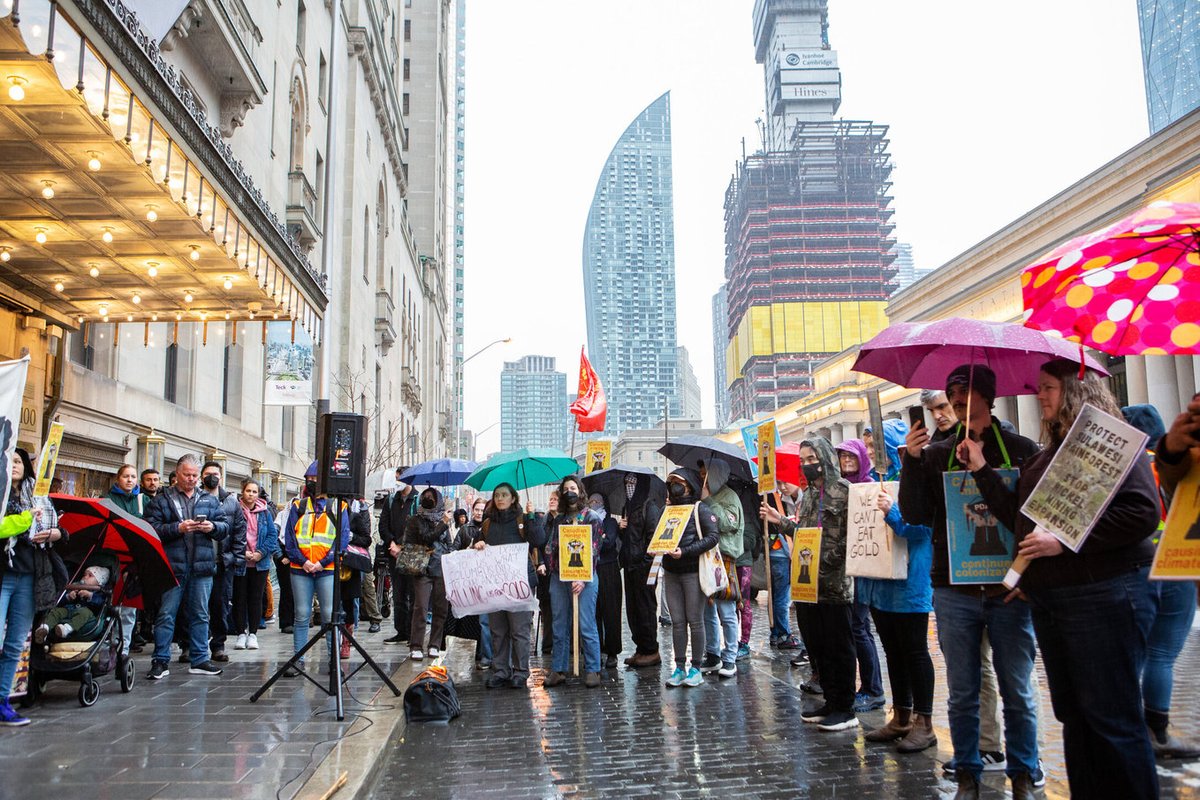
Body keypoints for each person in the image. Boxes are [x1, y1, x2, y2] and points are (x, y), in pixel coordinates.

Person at [962, 360, 1158, 798]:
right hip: (1056, 602)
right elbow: (1020, 519)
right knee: (1075, 715)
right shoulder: (1046, 456)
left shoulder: (1110, 445)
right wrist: (979, 468)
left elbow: (1142, 513)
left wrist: (1065, 543)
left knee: (1111, 718)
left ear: (1075, 391)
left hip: (1104, 596)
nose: (1040, 396)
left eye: (1048, 388)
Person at [899, 364, 1042, 799]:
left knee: (1017, 688)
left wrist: (981, 468)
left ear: (988, 395)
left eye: (965, 390)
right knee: (962, 691)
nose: (957, 398)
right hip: (953, 588)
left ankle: (1023, 771)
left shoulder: (1020, 448)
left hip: (1008, 587)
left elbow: (1027, 518)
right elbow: (916, 514)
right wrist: (913, 461)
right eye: (951, 391)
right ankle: (967, 772)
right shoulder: (940, 452)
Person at [843, 434, 938, 754]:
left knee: (914, 651)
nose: (871, 452)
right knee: (893, 652)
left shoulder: (922, 478)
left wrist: (893, 513)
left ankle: (924, 723)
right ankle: (901, 716)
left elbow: (924, 527)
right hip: (880, 584)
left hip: (910, 582)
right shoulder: (874, 483)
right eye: (869, 447)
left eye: (877, 446)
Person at [765, 436, 859, 732]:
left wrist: (829, 559)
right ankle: (830, 700)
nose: (807, 465)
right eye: (803, 460)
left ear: (825, 458)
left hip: (834, 584)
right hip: (807, 584)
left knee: (838, 645)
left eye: (811, 459)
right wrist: (779, 520)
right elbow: (803, 531)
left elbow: (851, 535)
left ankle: (845, 707)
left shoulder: (844, 491)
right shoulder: (807, 496)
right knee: (817, 645)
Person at [1147, 394, 1200, 758]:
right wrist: (1172, 448)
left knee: (1151, 652)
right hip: (1172, 561)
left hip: (1156, 564)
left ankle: (1148, 729)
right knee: (1162, 651)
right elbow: (1175, 476)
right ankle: (1154, 732)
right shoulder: (1161, 459)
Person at [144, 453, 229, 679]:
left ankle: (200, 658)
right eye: (186, 475)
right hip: (173, 566)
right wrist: (177, 528)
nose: (191, 479)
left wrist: (212, 527)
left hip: (201, 567)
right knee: (166, 614)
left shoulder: (209, 500)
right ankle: (160, 661)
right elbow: (151, 529)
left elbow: (224, 528)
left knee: (201, 614)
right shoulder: (162, 500)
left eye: (194, 475)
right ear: (177, 474)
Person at [475, 482, 545, 689]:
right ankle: (501, 670)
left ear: (513, 498)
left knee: (519, 629)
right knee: (498, 629)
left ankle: (521, 671)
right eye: (497, 495)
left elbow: (538, 540)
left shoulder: (523, 519)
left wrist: (532, 517)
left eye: (504, 495)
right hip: (496, 584)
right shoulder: (488, 523)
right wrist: (478, 545)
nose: (500, 498)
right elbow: (480, 545)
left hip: (520, 583)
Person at [653, 469, 718, 688]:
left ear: (689, 485)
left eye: (679, 482)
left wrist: (687, 551)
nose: (675, 486)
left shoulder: (700, 509)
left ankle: (696, 668)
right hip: (671, 572)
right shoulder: (666, 510)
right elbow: (659, 535)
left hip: (692, 571)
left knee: (695, 620)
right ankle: (679, 667)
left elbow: (712, 537)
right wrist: (656, 548)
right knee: (678, 622)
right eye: (671, 483)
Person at [282, 467, 350, 676]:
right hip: (300, 568)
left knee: (329, 615)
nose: (312, 483)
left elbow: (342, 539)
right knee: (302, 614)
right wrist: (303, 562)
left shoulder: (339, 507)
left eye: (316, 479)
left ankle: (333, 661)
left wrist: (322, 562)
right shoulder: (297, 506)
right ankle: (299, 660)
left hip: (326, 568)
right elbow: (290, 539)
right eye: (309, 479)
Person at [835, 439, 886, 713]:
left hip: (866, 566)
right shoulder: (841, 488)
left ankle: (873, 689)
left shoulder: (870, 484)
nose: (846, 462)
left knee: (860, 627)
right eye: (842, 458)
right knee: (854, 628)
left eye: (851, 457)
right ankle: (866, 686)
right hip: (846, 566)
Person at [542, 476, 604, 688]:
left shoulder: (592, 517)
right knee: (559, 625)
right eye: (566, 488)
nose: (570, 491)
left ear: (580, 491)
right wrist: (551, 567)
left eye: (573, 488)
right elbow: (551, 546)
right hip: (560, 578)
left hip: (585, 577)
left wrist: (583, 577)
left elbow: (594, 550)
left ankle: (593, 669)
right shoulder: (559, 519)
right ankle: (558, 669)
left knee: (586, 624)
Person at [698, 460, 743, 680]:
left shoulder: (729, 496)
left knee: (726, 610)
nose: (702, 476)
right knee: (708, 610)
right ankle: (713, 654)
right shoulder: (704, 493)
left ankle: (730, 656)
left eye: (706, 473)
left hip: (723, 557)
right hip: (706, 557)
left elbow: (727, 523)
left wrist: (707, 500)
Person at [198, 462, 245, 663]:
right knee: (197, 606)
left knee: (220, 605)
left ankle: (218, 645)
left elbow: (239, 532)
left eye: (215, 474)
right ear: (202, 477)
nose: (212, 477)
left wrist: (235, 558)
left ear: (221, 477)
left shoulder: (231, 502)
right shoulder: (196, 499)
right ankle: (191, 645)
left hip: (223, 562)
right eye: (208, 474)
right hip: (200, 561)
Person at [404, 487, 452, 661]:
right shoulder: (416, 520)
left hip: (441, 567)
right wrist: (443, 524)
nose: (428, 500)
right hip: (422, 568)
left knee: (441, 608)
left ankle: (435, 644)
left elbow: (448, 542)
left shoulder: (443, 520)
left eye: (432, 497)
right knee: (421, 607)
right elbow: (426, 538)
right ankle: (416, 645)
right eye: (426, 497)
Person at [618, 475, 662, 667]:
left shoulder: (649, 506)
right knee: (633, 610)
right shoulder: (626, 508)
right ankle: (641, 648)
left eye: (633, 484)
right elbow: (629, 537)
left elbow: (653, 536)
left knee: (645, 609)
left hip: (643, 567)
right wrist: (621, 529)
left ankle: (650, 649)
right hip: (630, 566)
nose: (629, 487)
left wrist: (646, 562)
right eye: (626, 483)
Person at [232, 479, 278, 651]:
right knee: (239, 598)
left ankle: (252, 633)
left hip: (260, 562)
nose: (251, 494)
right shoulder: (236, 510)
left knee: (256, 598)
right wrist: (242, 552)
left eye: (254, 491)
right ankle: (240, 633)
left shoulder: (265, 513)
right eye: (248, 491)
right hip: (240, 561)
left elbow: (272, 536)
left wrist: (260, 553)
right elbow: (231, 534)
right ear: (242, 492)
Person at [761, 479, 804, 655]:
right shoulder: (778, 500)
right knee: (781, 596)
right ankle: (782, 633)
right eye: (779, 483)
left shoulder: (802, 499)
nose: (782, 487)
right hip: (782, 552)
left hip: (791, 552)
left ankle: (778, 632)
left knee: (780, 595)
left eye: (785, 483)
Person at [106, 464, 145, 657]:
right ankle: (110, 645)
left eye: (133, 476)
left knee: (129, 609)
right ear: (118, 478)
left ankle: (124, 649)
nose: (130, 480)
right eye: (126, 476)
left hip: (135, 558)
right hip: (113, 558)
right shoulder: (109, 499)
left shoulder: (141, 500)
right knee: (111, 606)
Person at [380, 471, 416, 644]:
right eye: (397, 478)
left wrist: (402, 544)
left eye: (401, 478)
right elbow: (383, 525)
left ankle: (412, 632)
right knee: (399, 594)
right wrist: (392, 543)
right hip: (393, 553)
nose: (398, 482)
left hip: (411, 553)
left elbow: (415, 526)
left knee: (413, 594)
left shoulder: (417, 499)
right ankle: (400, 630)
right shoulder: (391, 500)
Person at [588, 492, 623, 669]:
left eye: (597, 501)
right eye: (591, 501)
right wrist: (599, 539)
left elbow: (609, 542)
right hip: (592, 569)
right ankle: (597, 649)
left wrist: (595, 540)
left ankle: (612, 652)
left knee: (611, 611)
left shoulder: (610, 522)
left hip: (609, 569)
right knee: (594, 612)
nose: (594, 504)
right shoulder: (585, 519)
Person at [35, 565, 108, 642]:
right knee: (56, 611)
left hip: (85, 614)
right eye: (84, 574)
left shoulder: (99, 592)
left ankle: (67, 629)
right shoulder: (75, 585)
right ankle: (44, 628)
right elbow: (59, 601)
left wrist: (90, 595)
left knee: (84, 613)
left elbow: (101, 603)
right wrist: (68, 596)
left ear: (99, 582)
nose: (85, 577)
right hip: (68, 609)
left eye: (90, 575)